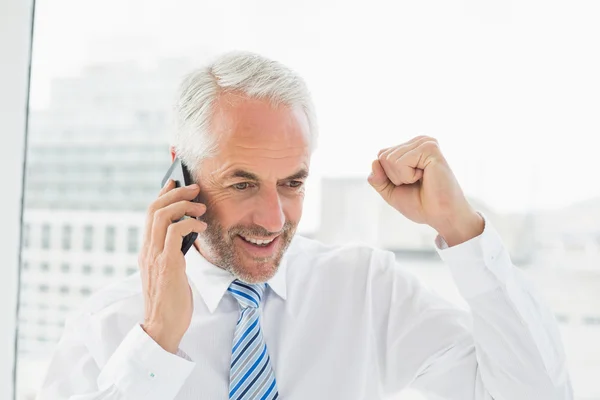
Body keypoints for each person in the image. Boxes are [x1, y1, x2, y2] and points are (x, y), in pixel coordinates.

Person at [38, 51, 573, 400]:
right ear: (181, 171)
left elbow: (537, 391)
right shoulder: (108, 328)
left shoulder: (364, 288)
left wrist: (462, 230)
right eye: (243, 184)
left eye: (292, 184)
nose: (273, 221)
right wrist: (156, 345)